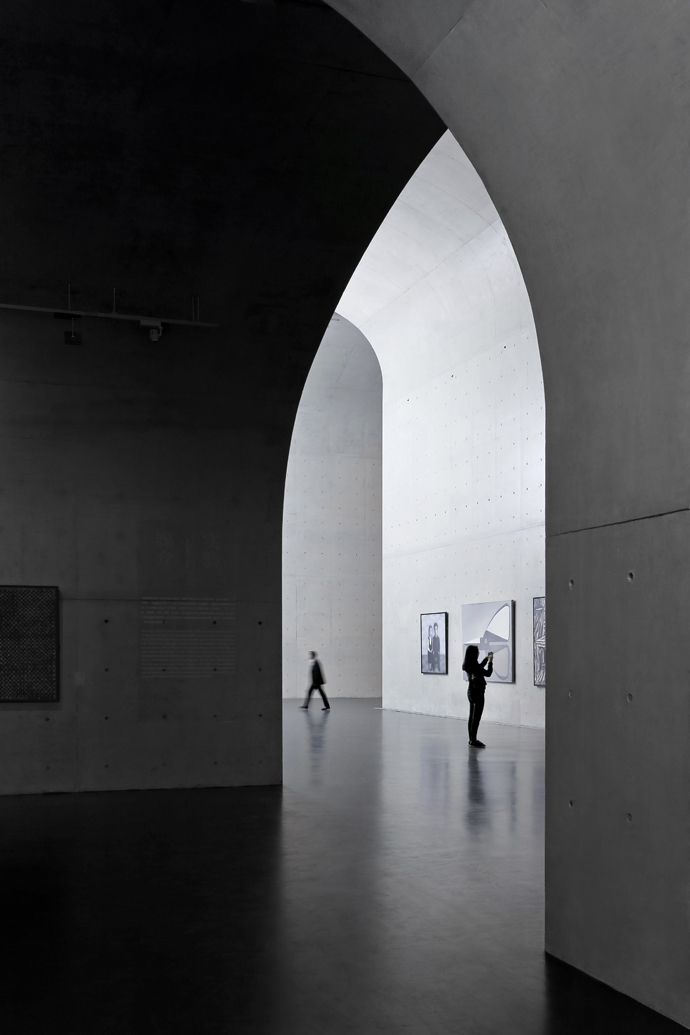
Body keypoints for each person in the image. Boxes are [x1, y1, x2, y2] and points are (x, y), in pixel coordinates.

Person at [462, 645, 493, 747]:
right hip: (478, 693)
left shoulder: (468, 665)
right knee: (476, 718)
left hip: (470, 692)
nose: (479, 653)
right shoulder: (475, 667)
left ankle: (471, 739)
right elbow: (488, 673)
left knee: (471, 717)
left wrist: (486, 659)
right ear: (474, 654)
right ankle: (474, 740)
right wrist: (490, 662)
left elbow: (479, 667)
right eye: (477, 652)